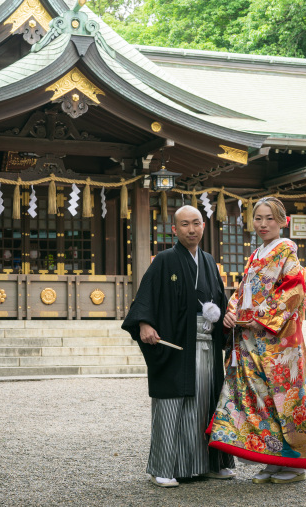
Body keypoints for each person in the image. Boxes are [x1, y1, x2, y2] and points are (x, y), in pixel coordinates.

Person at [206, 197, 306, 484]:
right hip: (251, 339)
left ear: (282, 221)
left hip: (277, 342)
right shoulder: (256, 254)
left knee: (285, 399)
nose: (263, 224)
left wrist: (262, 318)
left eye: (269, 219)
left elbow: (294, 290)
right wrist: (231, 312)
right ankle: (274, 458)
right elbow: (242, 292)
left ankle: (296, 463)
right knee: (260, 398)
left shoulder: (286, 250)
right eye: (258, 218)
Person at [122, 204, 236, 488]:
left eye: (196, 223)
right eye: (184, 224)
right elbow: (145, 296)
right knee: (172, 404)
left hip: (206, 346)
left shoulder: (209, 261)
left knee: (207, 404)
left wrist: (228, 317)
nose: (191, 229)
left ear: (203, 226)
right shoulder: (164, 260)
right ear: (174, 229)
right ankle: (162, 467)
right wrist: (144, 324)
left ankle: (209, 465)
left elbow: (220, 301)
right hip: (177, 346)